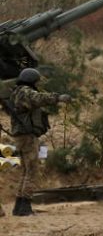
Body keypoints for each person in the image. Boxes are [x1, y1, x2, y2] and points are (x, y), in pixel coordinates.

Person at [4, 68, 71, 217]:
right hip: (27, 136)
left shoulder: (16, 92)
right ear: (31, 80)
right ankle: (24, 207)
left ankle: (19, 206)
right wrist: (59, 98)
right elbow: (40, 98)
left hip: (20, 136)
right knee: (32, 171)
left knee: (25, 171)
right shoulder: (25, 92)